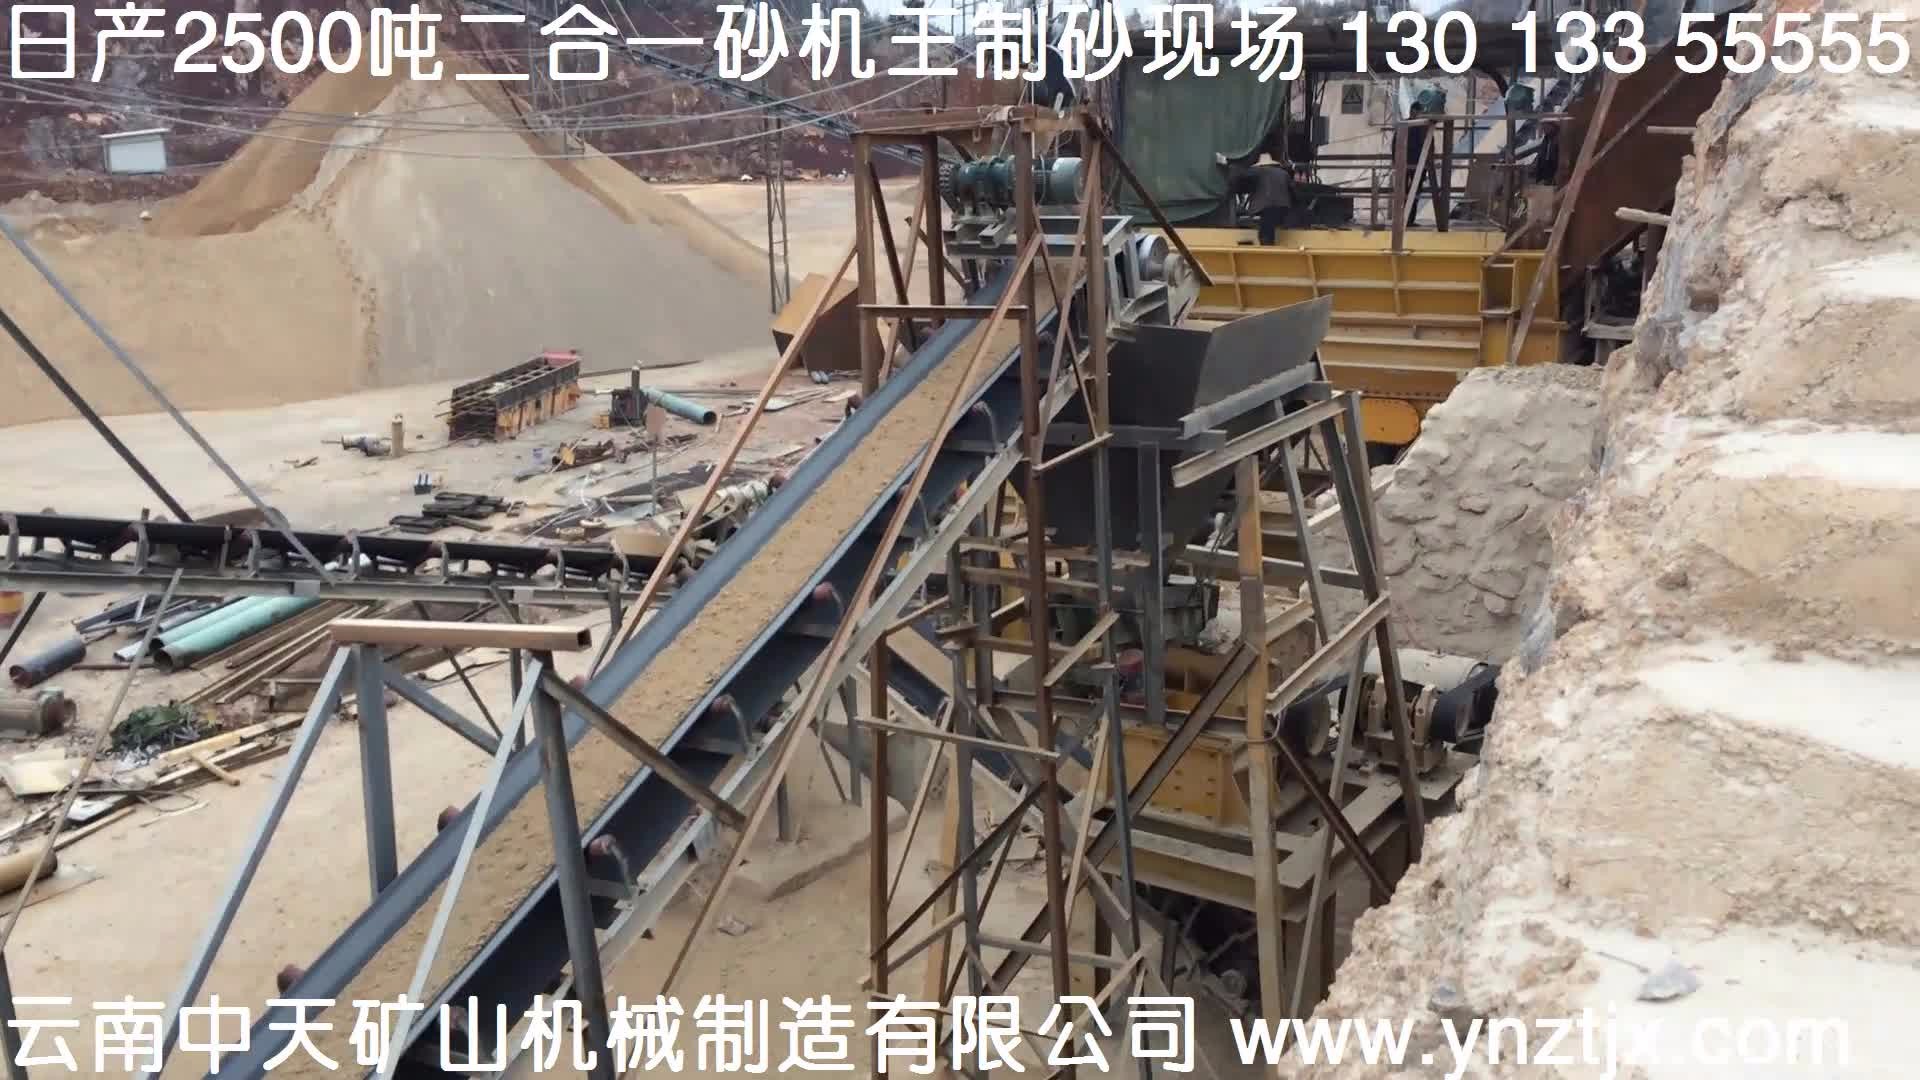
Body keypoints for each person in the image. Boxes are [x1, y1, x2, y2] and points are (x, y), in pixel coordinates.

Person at [1216, 152, 1293, 244]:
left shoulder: (1259, 171)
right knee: (1270, 226)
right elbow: (1292, 190)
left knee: (1265, 232)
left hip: (1267, 205)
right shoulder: (1284, 173)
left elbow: (1240, 174)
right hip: (1283, 206)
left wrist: (1226, 165)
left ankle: (1266, 248)